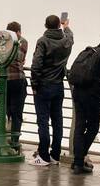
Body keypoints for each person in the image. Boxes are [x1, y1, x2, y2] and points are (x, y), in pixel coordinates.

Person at [68, 32, 100, 174]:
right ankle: (78, 161)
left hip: (77, 91)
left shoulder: (92, 50)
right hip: (91, 95)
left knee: (79, 126)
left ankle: (77, 161)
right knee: (93, 127)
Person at [29, 14, 74, 166]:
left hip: (43, 86)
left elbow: (36, 66)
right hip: (58, 85)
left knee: (43, 121)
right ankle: (55, 155)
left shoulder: (43, 41)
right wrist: (66, 26)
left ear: (45, 25)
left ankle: (43, 155)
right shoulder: (65, 41)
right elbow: (70, 36)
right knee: (57, 121)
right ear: (58, 25)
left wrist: (34, 85)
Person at [4, 21, 28, 148]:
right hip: (18, 79)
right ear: (18, 32)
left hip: (5, 80)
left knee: (7, 110)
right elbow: (21, 59)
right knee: (17, 113)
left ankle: (7, 135)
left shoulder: (2, 42)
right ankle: (14, 141)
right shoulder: (22, 41)